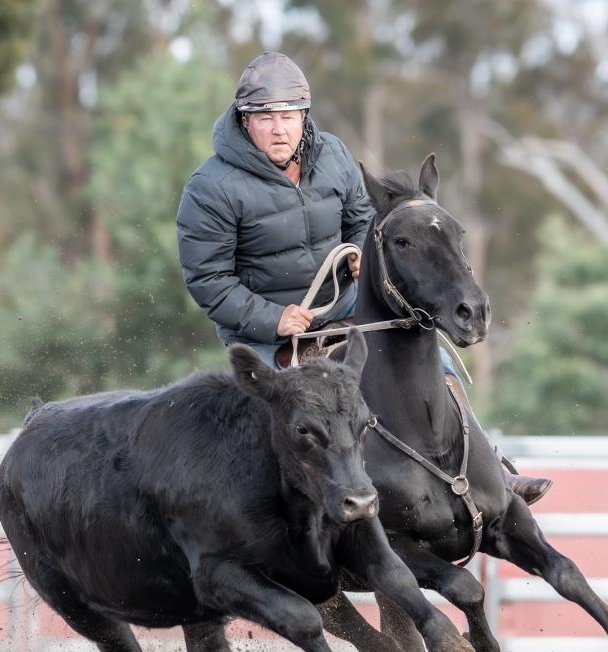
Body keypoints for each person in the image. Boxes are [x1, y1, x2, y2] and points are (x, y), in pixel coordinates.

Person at [177, 51, 550, 505]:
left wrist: (361, 256)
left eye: (290, 116)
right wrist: (274, 319)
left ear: (304, 116)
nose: (280, 129)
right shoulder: (209, 187)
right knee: (284, 417)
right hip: (270, 333)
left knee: (435, 360)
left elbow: (363, 220)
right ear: (244, 119)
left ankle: (493, 469)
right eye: (267, 117)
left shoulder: (331, 154)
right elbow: (208, 279)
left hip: (350, 307)